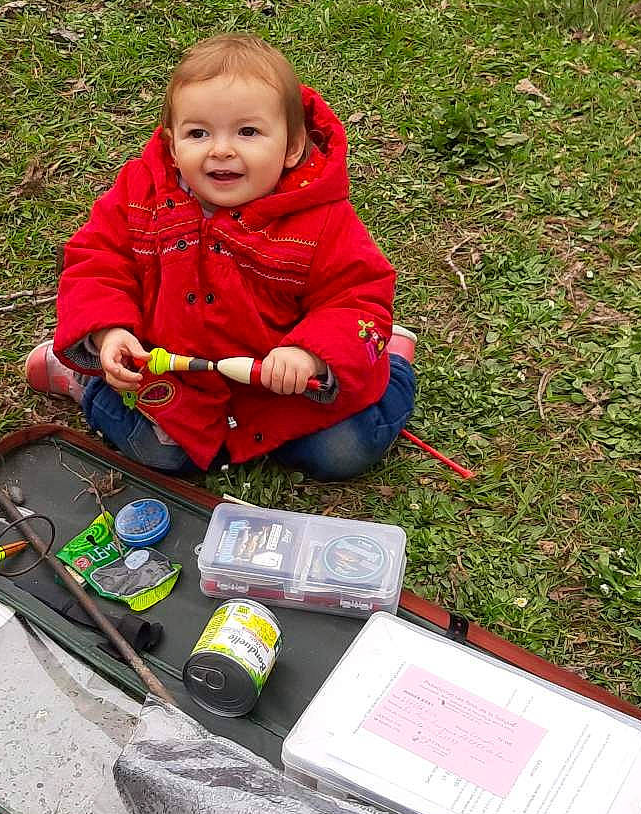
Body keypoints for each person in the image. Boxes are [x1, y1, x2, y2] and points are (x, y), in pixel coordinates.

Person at [25, 33, 416, 480]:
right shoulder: (141, 196)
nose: (221, 149)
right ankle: (82, 378)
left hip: (286, 392)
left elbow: (358, 297)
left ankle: (391, 360)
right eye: (198, 133)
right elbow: (97, 262)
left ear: (292, 146)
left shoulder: (321, 220)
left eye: (247, 132)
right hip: (176, 384)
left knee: (343, 453)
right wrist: (108, 333)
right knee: (163, 458)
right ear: (173, 144)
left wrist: (313, 356)